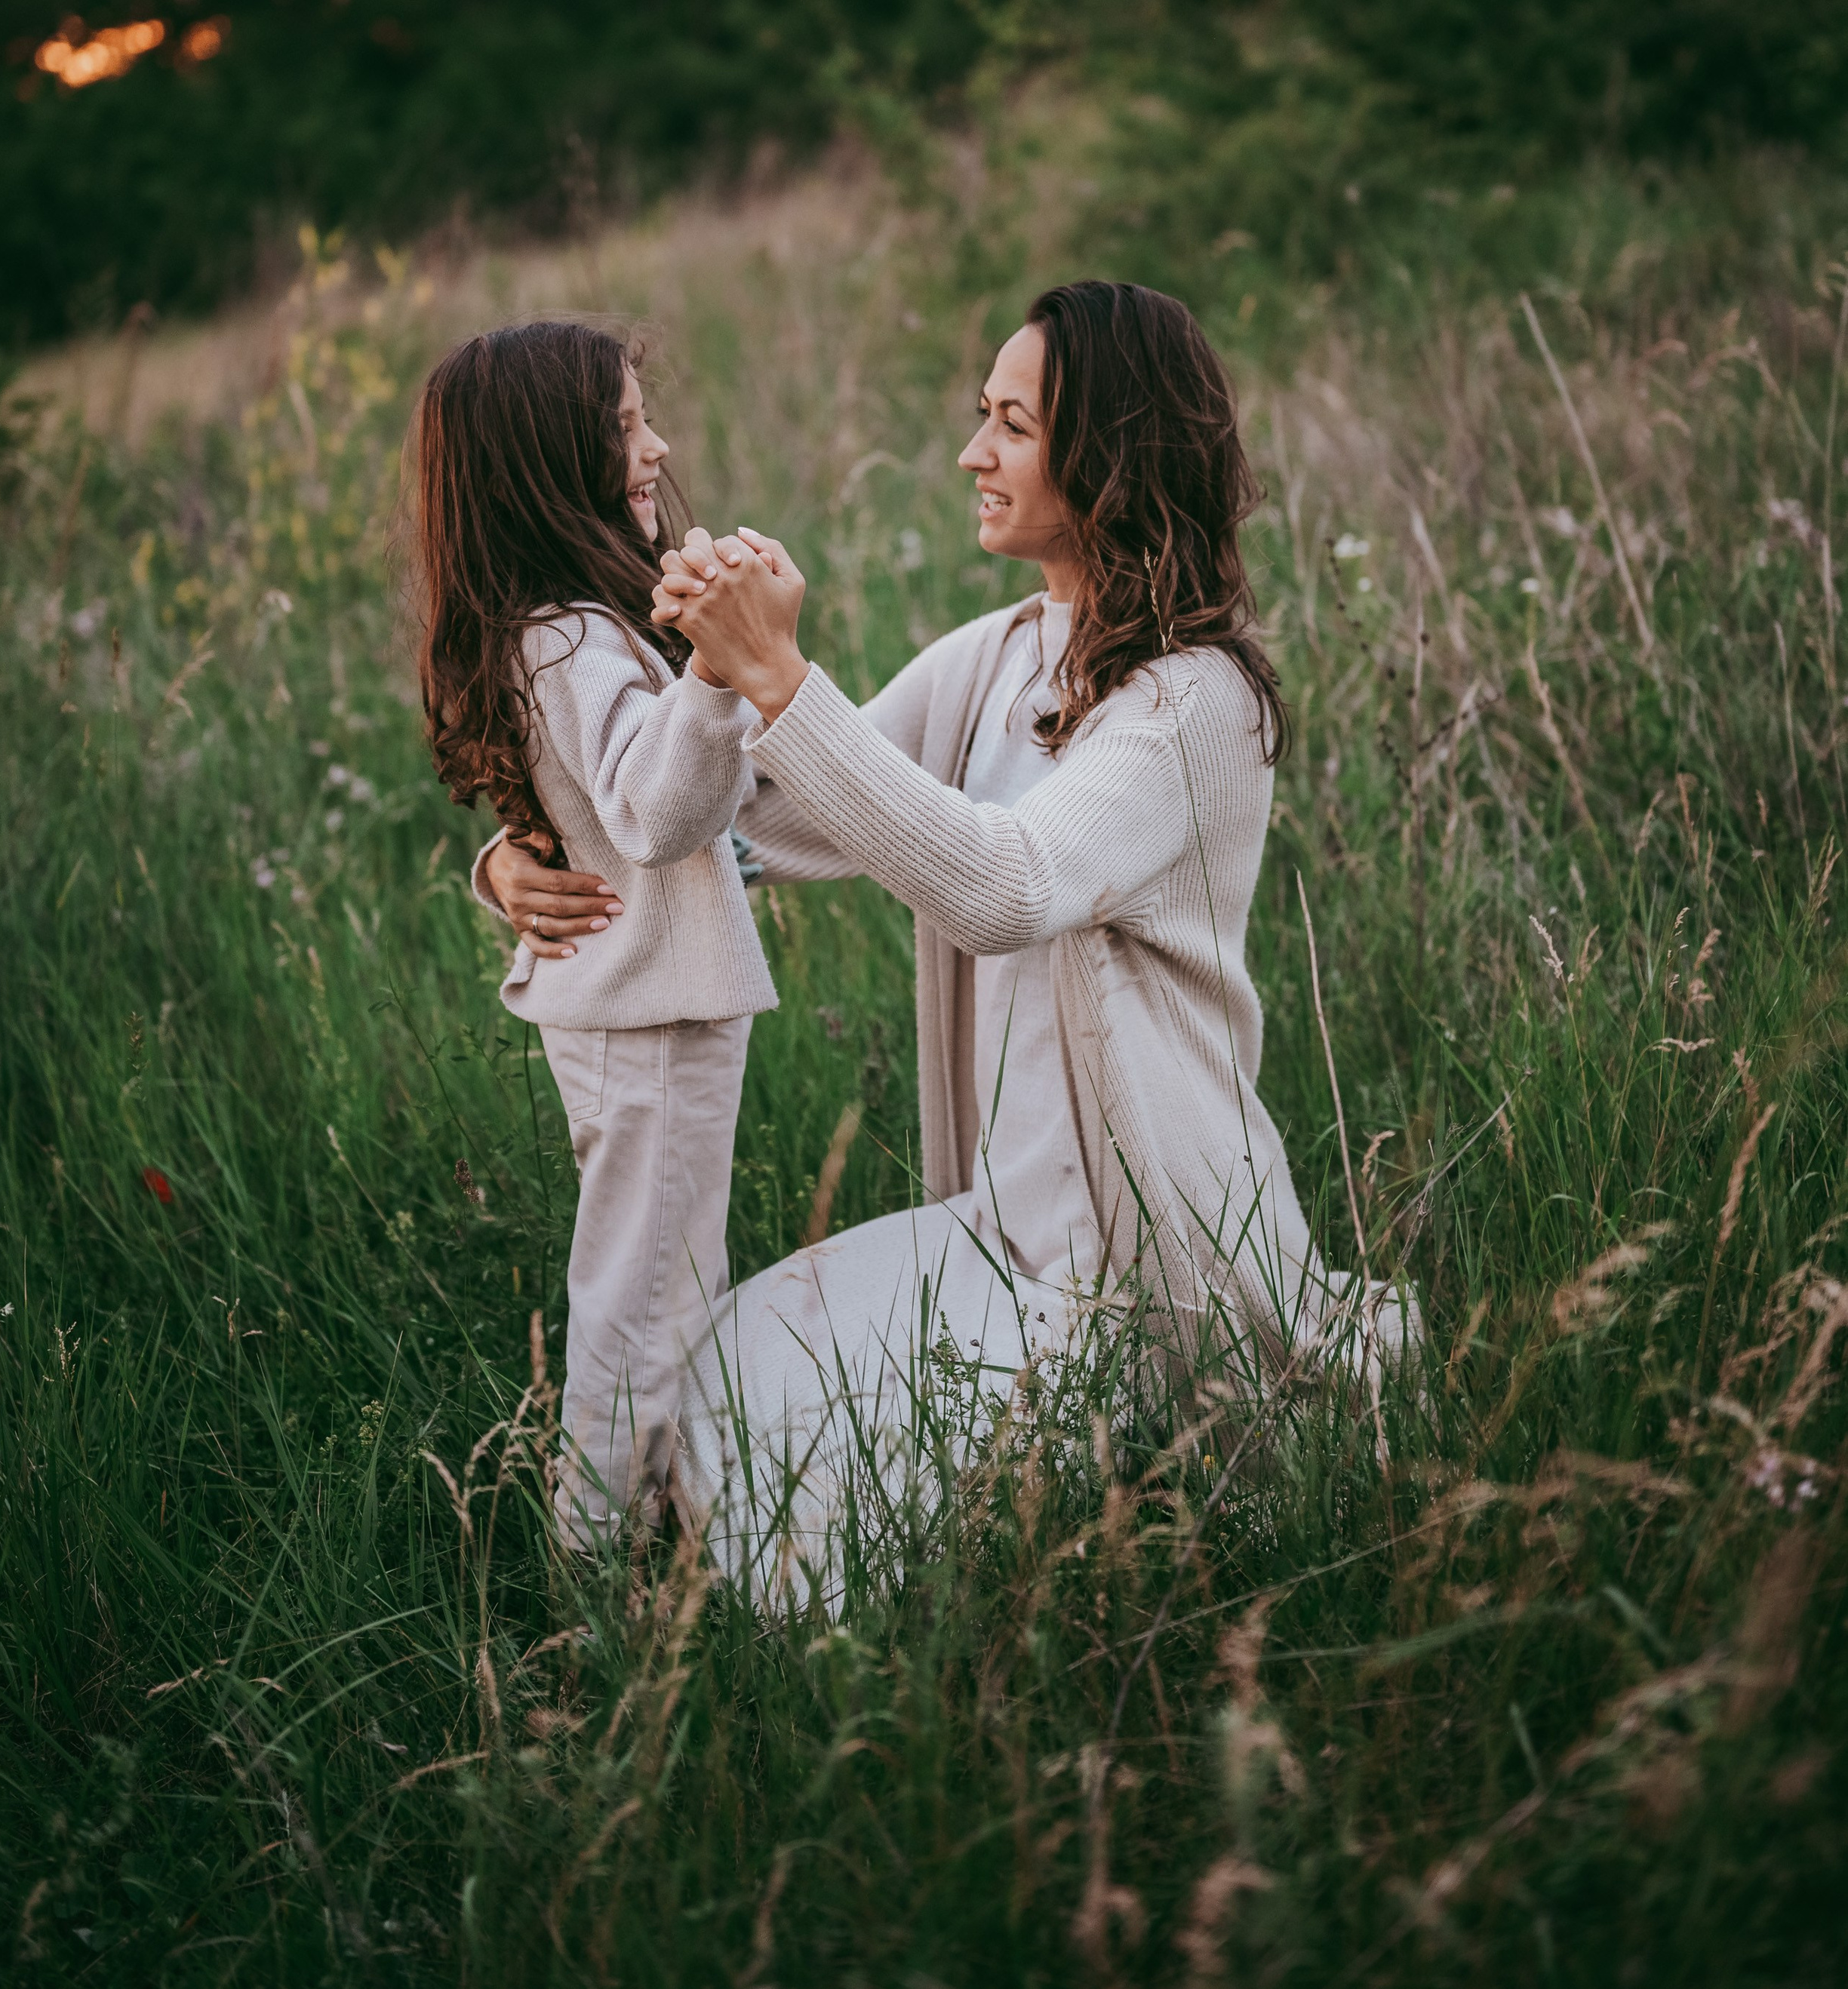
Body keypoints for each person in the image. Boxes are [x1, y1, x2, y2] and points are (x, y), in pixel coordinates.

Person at [485, 281, 1414, 1603]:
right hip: (998, 1229)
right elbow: (757, 811)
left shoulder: (1195, 703)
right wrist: (515, 856)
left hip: (1134, 1273)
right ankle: (651, 1590)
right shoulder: (1007, 653)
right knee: (718, 1386)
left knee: (797, 1537)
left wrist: (779, 676)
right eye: (983, 415)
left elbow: (1004, 886)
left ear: (1111, 456)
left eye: (1014, 426)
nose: (973, 452)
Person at [412, 319, 776, 1547]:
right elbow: (657, 814)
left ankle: (677, 1520)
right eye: (624, 426)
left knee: (666, 1282)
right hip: (647, 1014)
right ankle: (601, 1557)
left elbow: (647, 808)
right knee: (644, 1301)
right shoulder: (567, 635)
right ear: (547, 462)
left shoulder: (562, 626)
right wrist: (716, 669)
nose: (655, 446)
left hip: (642, 1007)